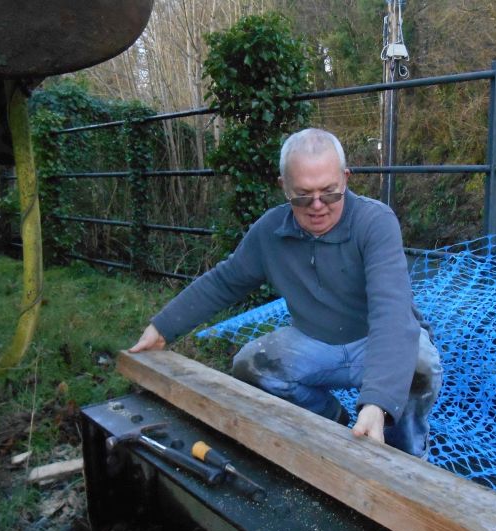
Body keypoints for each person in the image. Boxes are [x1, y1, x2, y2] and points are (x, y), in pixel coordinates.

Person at [129, 128, 442, 458]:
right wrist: (163, 328)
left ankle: (406, 455)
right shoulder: (269, 232)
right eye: (303, 195)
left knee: (418, 367)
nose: (318, 206)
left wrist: (377, 401)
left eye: (330, 193)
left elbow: (391, 313)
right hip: (315, 341)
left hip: (374, 341)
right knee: (251, 365)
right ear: (284, 186)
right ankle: (332, 422)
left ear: (346, 178)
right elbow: (225, 281)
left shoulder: (375, 222)